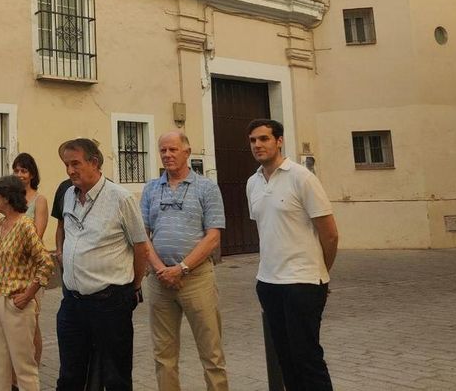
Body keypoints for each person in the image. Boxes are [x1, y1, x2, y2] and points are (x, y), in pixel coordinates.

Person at [245, 119, 339, 391]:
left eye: (264, 139)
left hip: (303, 283)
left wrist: (319, 272)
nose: (258, 145)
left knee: (307, 358)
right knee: (285, 359)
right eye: (253, 140)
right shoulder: (252, 183)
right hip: (269, 283)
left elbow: (330, 234)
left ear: (279, 141)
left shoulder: (302, 178)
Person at [55, 138, 149, 391]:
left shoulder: (120, 198)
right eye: (66, 164)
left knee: (114, 376)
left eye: (75, 163)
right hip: (73, 302)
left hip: (109, 302)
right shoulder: (68, 195)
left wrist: (134, 285)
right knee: (70, 375)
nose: (70, 170)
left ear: (94, 162)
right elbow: (63, 231)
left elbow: (141, 246)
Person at [141, 131, 229, 391]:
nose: (167, 155)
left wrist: (182, 268)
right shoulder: (151, 189)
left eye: (173, 150)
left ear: (187, 152)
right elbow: (142, 235)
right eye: (163, 150)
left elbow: (213, 236)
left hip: (196, 279)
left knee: (211, 354)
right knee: (163, 356)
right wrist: (160, 269)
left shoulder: (207, 187)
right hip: (160, 282)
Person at [0, 175, 55, 391]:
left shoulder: (25, 226)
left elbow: (46, 263)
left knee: (23, 365)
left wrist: (28, 294)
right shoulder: (1, 223)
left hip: (15, 303)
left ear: (6, 197)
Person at [12, 152, 49, 365]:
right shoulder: (10, 199)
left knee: (32, 319)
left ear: (32, 174)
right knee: (15, 321)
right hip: (10, 269)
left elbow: (38, 233)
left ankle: (33, 368)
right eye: (16, 170)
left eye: (23, 171)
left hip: (31, 267)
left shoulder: (39, 200)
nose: (19, 175)